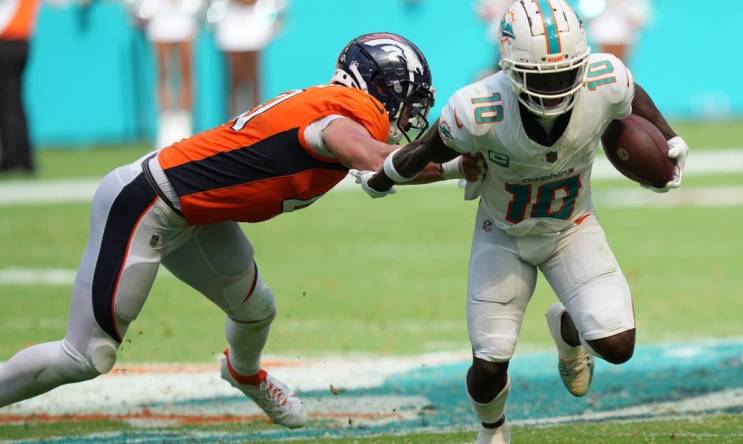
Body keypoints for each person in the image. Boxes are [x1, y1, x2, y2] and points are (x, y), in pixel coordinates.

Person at [0, 32, 477, 429]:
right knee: (86, 357)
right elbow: (375, 161)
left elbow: (375, 167)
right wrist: (458, 166)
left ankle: (244, 375)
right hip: (147, 202)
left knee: (256, 311)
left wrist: (448, 167)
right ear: (378, 88)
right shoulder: (342, 114)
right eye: (407, 101)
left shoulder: (336, 109)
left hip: (195, 214)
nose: (409, 117)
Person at [355, 2, 688, 443]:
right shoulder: (478, 107)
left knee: (618, 346)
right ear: (510, 68)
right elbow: (427, 149)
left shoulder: (604, 78)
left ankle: (569, 329)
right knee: (490, 362)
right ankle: (492, 430)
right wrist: (381, 177)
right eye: (540, 77)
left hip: (573, 228)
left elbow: (633, 94)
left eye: (565, 73)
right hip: (504, 235)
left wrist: (669, 137)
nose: (553, 88)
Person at [130, 0, 204, 148]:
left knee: (186, 74)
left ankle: (185, 124)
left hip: (185, 17)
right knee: (162, 74)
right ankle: (166, 126)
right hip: (160, 18)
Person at [209, 0, 286, 117]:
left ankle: (256, 122)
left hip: (256, 20)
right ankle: (233, 124)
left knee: (254, 79)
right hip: (230, 22)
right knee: (234, 79)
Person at [0, 0, 42, 174]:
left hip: (8, 40)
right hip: (22, 41)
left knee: (8, 103)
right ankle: (23, 158)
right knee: (14, 102)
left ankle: (14, 159)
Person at [582, 0, 651, 63]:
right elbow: (587, 14)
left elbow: (640, 17)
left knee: (621, 69)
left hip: (625, 37)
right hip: (602, 35)